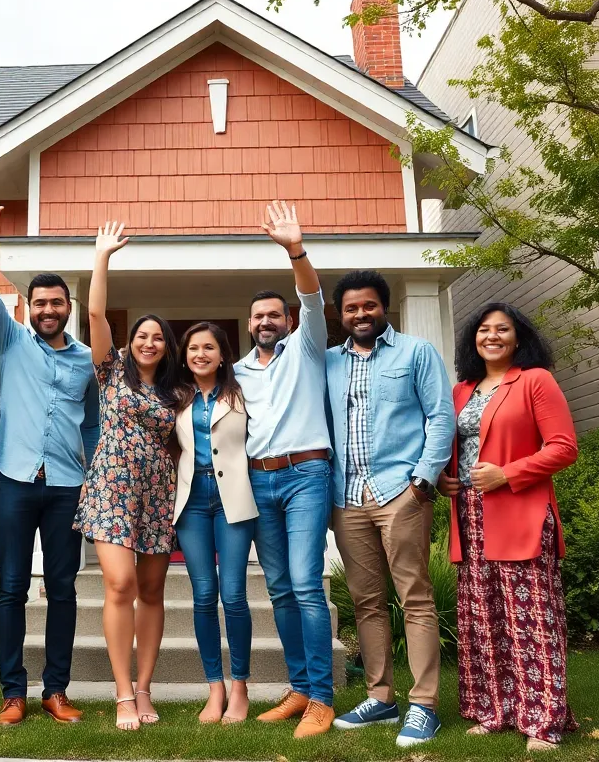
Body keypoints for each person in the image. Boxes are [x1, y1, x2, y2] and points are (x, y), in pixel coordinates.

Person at [0, 200, 99, 726]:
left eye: (56, 303)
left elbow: (90, 423)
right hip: (16, 480)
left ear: (68, 306)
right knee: (14, 587)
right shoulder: (11, 339)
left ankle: (56, 690)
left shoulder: (86, 359)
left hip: (68, 483)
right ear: (27, 307)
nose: (48, 310)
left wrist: (92, 478)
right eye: (39, 302)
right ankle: (12, 694)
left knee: (64, 587)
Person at [324, 269, 454, 748]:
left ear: (384, 307)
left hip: (400, 492)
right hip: (347, 497)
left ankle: (424, 706)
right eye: (352, 308)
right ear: (341, 315)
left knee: (414, 598)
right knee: (366, 601)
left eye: (369, 305)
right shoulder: (329, 363)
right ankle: (381, 698)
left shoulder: (415, 352)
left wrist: (422, 482)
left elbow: (441, 417)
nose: (361, 314)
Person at [440, 302, 578, 752]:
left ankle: (543, 721)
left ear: (519, 338)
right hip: (471, 517)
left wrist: (508, 473)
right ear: (473, 339)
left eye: (503, 329)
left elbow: (563, 448)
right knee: (484, 618)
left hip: (521, 511)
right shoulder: (462, 390)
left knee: (531, 619)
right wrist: (447, 476)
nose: (492, 336)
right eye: (484, 330)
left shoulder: (536, 380)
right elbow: (457, 446)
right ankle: (494, 711)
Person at [234, 200, 335, 739]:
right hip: (258, 480)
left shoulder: (307, 348)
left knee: (305, 583)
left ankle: (322, 697)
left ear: (287, 321)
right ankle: (298, 688)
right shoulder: (238, 372)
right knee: (277, 587)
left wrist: (295, 249)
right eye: (258, 317)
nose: (266, 322)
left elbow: (313, 297)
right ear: (249, 325)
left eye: (275, 314)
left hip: (305, 476)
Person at [75, 221, 182, 730]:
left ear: (166, 347)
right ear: (129, 341)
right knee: (119, 584)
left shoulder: (175, 392)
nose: (148, 342)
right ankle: (121, 693)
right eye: (141, 334)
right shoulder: (109, 372)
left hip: (158, 494)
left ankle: (144, 689)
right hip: (111, 487)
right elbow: (95, 311)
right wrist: (103, 258)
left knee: (153, 590)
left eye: (158, 337)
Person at [173, 321, 256, 725]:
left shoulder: (243, 392)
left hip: (233, 500)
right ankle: (215, 688)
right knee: (204, 595)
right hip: (191, 501)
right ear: (185, 357)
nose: (200, 354)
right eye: (193, 348)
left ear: (223, 354)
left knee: (234, 595)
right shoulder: (175, 397)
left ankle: (240, 687)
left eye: (208, 347)